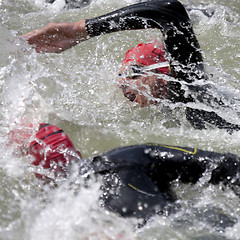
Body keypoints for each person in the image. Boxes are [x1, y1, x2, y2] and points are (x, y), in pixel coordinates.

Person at [20, 0, 240, 132]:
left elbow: (170, 11)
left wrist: (81, 29)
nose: (122, 83)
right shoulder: (172, 112)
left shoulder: (188, 84)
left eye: (134, 72)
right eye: (121, 75)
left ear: (164, 72)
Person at [9, 123, 240, 225]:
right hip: (132, 161)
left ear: (40, 175)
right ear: (75, 152)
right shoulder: (125, 154)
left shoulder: (61, 213)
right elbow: (226, 164)